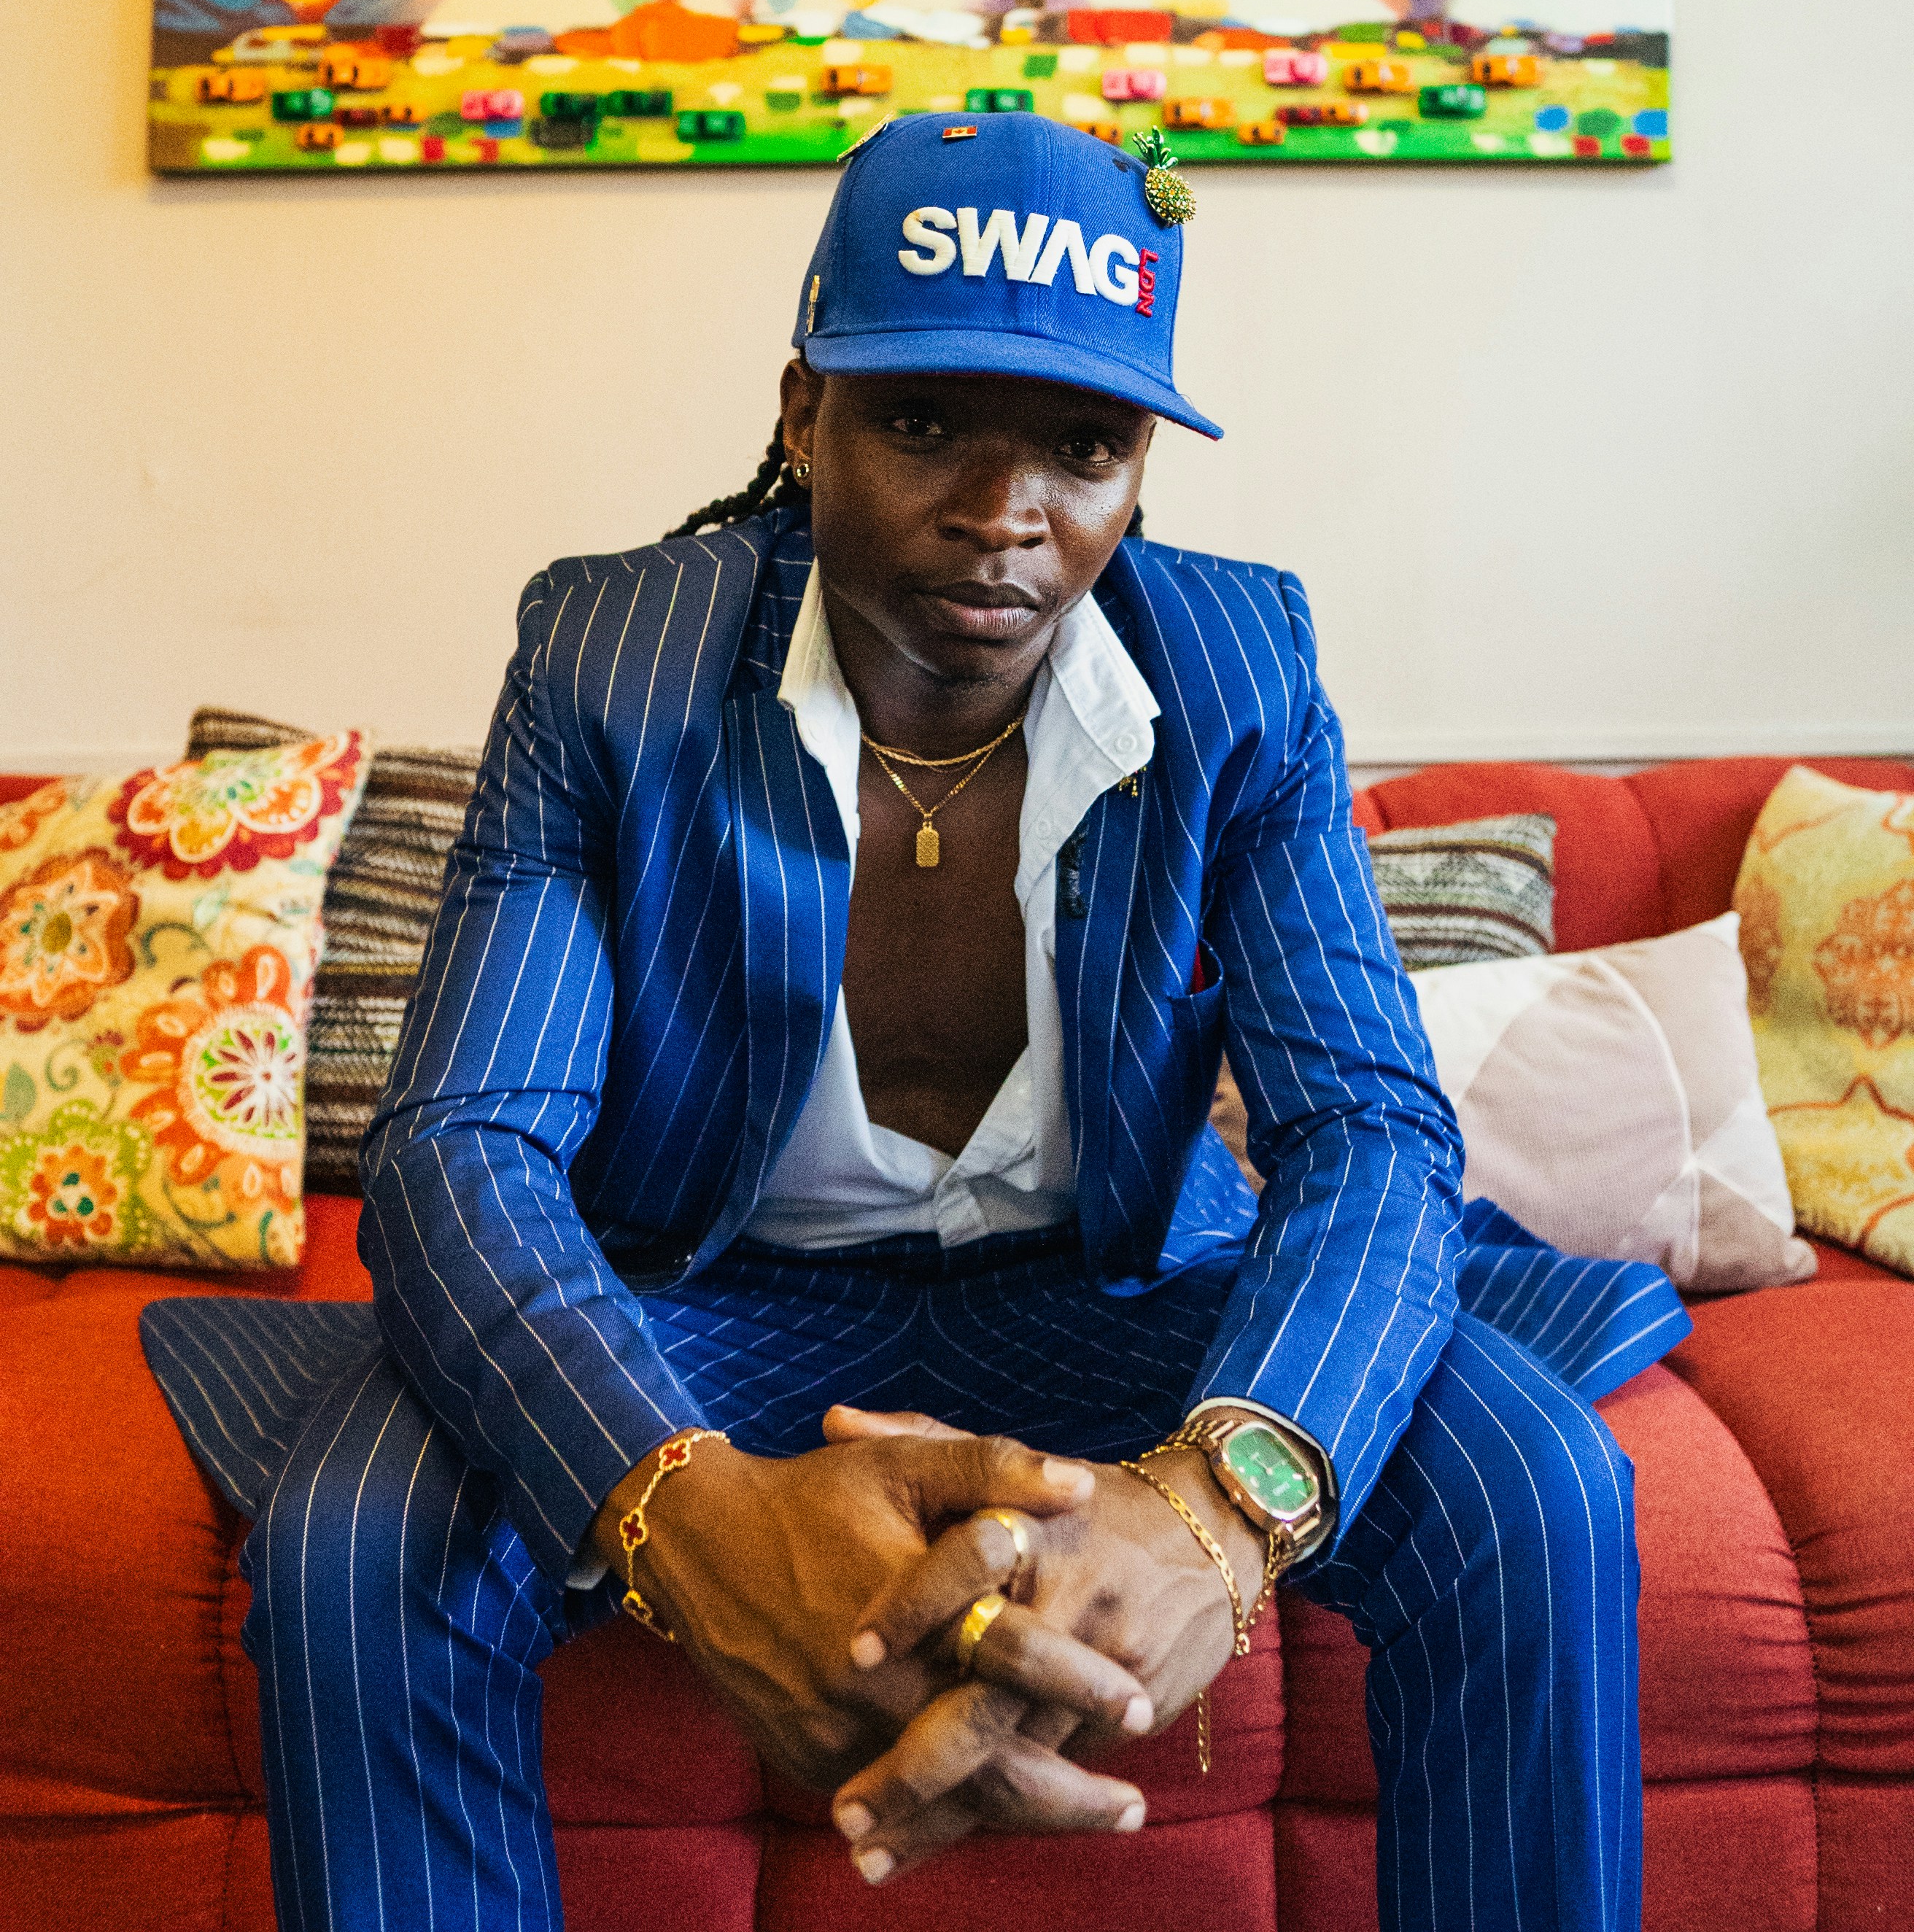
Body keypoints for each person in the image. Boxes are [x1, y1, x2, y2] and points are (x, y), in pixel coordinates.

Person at [146, 109, 1687, 1931]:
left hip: (1109, 1289)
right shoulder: (609, 663)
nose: (1004, 512)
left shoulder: (1240, 673)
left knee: (1539, 1488)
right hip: (707, 1295)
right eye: (924, 421)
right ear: (803, 417)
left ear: (1139, 474)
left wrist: (1216, 1502)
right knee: (352, 1537)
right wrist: (686, 1514)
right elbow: (462, 1146)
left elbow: (1367, 1129)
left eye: (1084, 447)